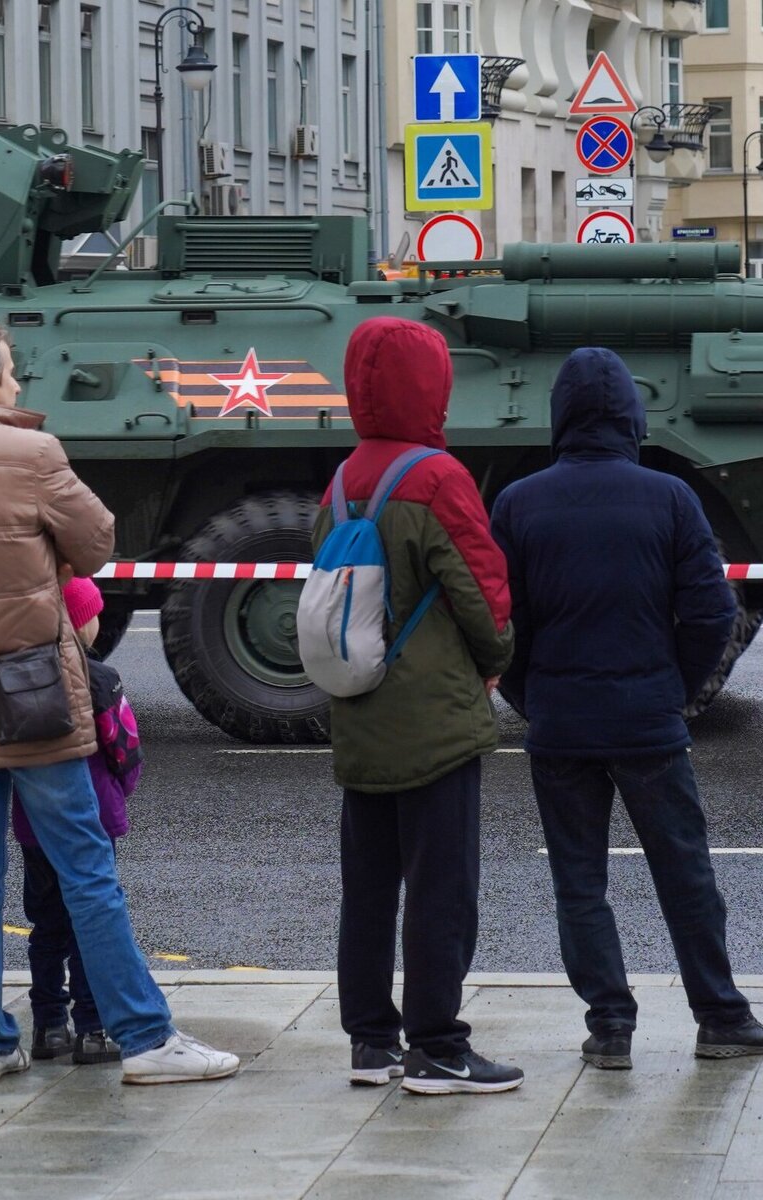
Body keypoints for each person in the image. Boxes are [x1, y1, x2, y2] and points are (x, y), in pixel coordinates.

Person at [0, 320, 238, 1085]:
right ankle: (145, 1037)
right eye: (12, 373)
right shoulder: (32, 453)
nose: (19, 385)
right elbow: (98, 544)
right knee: (86, 868)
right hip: (35, 697)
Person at [491, 346, 763, 1071]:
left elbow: (499, 623)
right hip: (648, 719)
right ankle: (722, 1016)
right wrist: (673, 689)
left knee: (580, 882)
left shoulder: (518, 503)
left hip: (561, 723)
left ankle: (610, 1026)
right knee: (685, 871)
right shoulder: (670, 497)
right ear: (631, 415)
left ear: (560, 416)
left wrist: (530, 694)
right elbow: (712, 612)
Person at [318, 317, 523, 1096]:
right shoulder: (436, 477)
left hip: (360, 711)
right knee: (441, 888)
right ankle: (437, 1045)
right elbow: (482, 590)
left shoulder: (341, 481)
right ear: (429, 384)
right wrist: (496, 661)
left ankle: (371, 1041)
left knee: (368, 886)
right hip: (434, 718)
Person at [11, 577, 143, 1066]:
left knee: (46, 926)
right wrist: (121, 794)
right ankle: (93, 1027)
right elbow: (126, 750)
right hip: (94, 820)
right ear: (80, 622)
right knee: (92, 918)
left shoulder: (23, 682)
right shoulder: (101, 680)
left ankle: (48, 1025)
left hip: (34, 828)